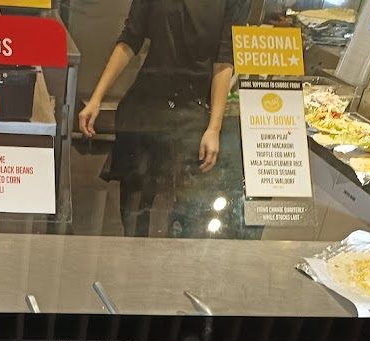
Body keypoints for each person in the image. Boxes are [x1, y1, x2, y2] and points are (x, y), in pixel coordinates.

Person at [79, 0, 249, 237]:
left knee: (182, 217)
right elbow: (131, 37)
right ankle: (133, 266)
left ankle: (169, 270)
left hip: (192, 113)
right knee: (134, 214)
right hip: (145, 110)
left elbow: (225, 59)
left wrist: (214, 127)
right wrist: (97, 98)